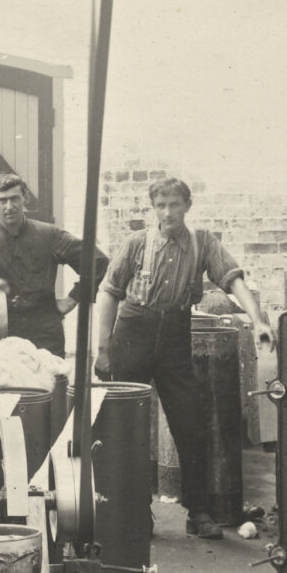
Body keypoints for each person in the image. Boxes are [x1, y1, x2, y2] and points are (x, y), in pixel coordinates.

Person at [94, 176, 271, 539]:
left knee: (191, 426)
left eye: (175, 204)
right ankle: (133, 510)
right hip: (133, 332)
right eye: (161, 205)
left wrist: (257, 321)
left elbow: (234, 280)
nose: (168, 212)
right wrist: (103, 349)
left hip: (175, 334)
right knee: (127, 426)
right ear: (153, 208)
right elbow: (109, 293)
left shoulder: (203, 243)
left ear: (187, 206)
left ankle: (198, 512)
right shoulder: (137, 243)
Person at [0, 172, 108, 356]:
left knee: (51, 381)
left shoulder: (49, 235)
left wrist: (73, 298)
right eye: (2, 200)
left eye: (15, 199)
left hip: (45, 332)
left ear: (25, 198)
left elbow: (97, 260)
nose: (9, 207)